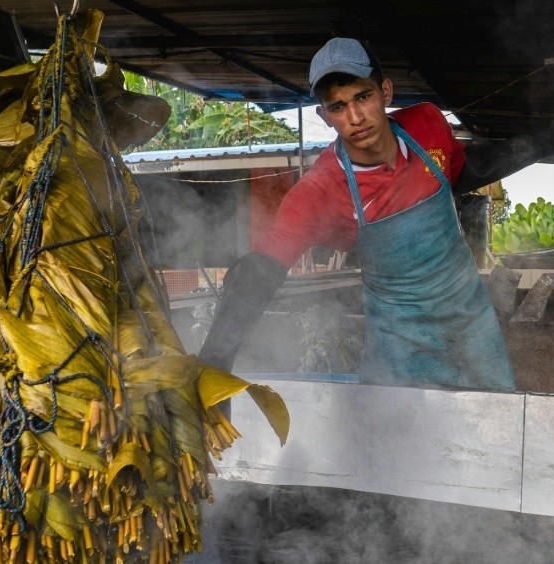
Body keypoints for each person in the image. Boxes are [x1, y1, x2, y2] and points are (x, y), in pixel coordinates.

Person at [199, 37, 515, 391]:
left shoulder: (426, 125)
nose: (355, 118)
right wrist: (213, 363)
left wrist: (546, 140)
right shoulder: (318, 193)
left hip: (473, 326)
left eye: (363, 97)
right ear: (323, 115)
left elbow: (462, 171)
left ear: (386, 91)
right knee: (402, 437)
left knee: (493, 428)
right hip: (400, 347)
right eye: (337, 106)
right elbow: (262, 271)